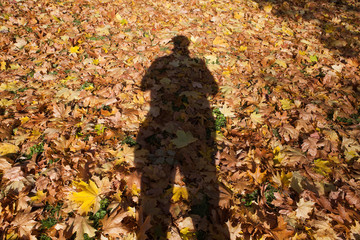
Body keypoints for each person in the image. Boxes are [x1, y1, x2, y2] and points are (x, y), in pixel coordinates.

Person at [135, 35, 229, 239]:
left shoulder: (161, 62)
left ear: (173, 47)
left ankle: (153, 227)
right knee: (203, 177)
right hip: (197, 122)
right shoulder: (197, 64)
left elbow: (144, 85)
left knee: (156, 179)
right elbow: (213, 89)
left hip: (159, 118)